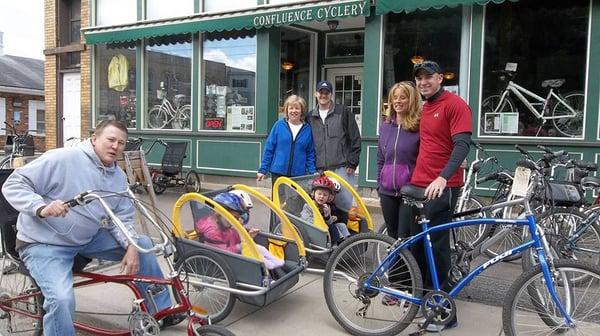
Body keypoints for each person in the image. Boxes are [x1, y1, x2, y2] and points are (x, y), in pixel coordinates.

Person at [1, 120, 181, 336]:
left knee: (143, 244)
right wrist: (40, 207)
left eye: (121, 143)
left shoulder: (118, 177)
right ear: (94, 139)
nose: (115, 146)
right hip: (44, 243)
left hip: (86, 239)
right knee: (61, 298)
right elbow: (14, 183)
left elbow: (121, 217)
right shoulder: (64, 158)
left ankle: (161, 311)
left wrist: (131, 245)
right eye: (111, 139)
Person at [411, 61, 472, 332]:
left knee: (438, 247)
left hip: (442, 186)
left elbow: (462, 146)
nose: (423, 82)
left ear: (440, 78)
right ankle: (426, 300)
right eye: (419, 79)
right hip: (419, 183)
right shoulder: (425, 107)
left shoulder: (454, 104)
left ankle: (445, 313)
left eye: (428, 78)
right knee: (421, 245)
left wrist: (443, 177)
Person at [307, 80, 361, 211]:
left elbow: (354, 137)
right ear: (316, 94)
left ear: (331, 95)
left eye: (327, 93)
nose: (323, 95)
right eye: (321, 92)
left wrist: (352, 162)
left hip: (342, 168)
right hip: (319, 170)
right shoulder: (310, 116)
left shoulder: (342, 111)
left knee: (344, 205)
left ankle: (344, 231)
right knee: (320, 206)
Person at [377, 81, 421, 240]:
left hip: (409, 192)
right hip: (386, 191)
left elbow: (423, 159)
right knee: (391, 236)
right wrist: (378, 185)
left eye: (403, 97)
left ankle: (406, 266)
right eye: (394, 97)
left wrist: (415, 184)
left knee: (404, 237)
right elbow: (380, 159)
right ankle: (394, 266)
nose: (398, 101)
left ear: (412, 100)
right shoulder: (385, 126)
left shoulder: (419, 126)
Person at [196, 191, 284, 270]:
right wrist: (240, 246)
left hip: (231, 251)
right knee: (251, 252)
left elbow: (233, 239)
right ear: (219, 213)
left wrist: (248, 237)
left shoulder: (222, 224)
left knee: (259, 248)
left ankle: (273, 261)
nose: (236, 221)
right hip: (224, 257)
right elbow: (224, 250)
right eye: (234, 218)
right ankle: (267, 266)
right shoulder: (211, 231)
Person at [257, 95, 316, 185]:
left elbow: (310, 153)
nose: (294, 111)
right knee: (279, 199)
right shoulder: (279, 125)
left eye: (297, 108)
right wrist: (263, 170)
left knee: (295, 199)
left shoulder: (307, 129)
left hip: (298, 176)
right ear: (287, 110)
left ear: (302, 110)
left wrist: (312, 172)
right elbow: (269, 149)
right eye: (291, 108)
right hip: (278, 173)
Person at [300, 176, 350, 245]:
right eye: (319, 194)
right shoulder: (308, 206)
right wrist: (323, 221)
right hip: (313, 231)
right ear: (313, 193)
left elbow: (329, 222)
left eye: (325, 195)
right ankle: (339, 245)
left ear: (328, 197)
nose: (322, 197)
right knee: (331, 228)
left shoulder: (325, 206)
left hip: (323, 228)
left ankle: (347, 243)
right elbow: (306, 221)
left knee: (341, 225)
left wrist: (327, 217)